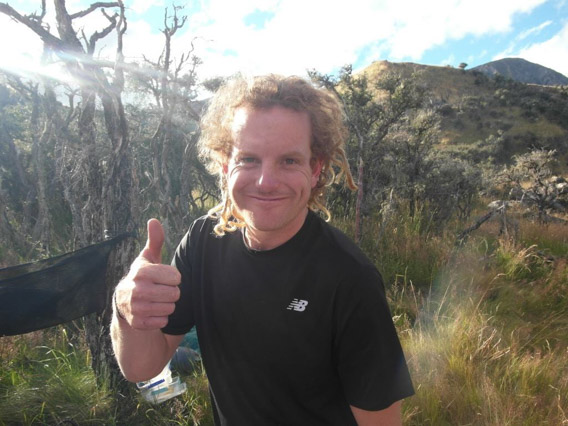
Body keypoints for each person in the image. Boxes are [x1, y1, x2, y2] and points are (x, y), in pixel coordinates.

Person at [111, 74, 414, 425]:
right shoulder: (203, 241)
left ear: (316, 169)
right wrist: (125, 308)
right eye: (249, 159)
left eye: (289, 161)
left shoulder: (349, 278)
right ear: (226, 167)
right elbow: (141, 368)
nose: (266, 182)